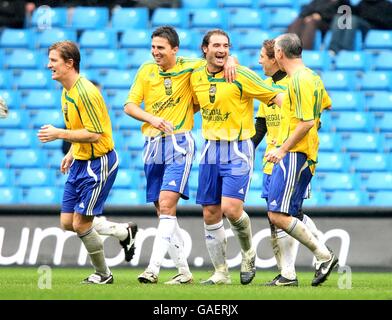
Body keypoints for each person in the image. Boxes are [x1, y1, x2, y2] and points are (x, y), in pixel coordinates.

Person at [124, 26, 236, 285]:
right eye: (153, 47)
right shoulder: (146, 70)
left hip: (179, 143)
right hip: (151, 144)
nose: (155, 53)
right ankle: (184, 272)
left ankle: (152, 269)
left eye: (160, 48)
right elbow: (129, 105)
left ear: (175, 49)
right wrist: (153, 118)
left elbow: (217, 59)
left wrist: (230, 58)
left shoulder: (190, 67)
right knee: (161, 210)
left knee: (166, 204)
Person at [37, 40, 137, 284]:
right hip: (81, 160)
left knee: (81, 223)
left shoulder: (86, 92)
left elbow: (95, 134)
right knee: (67, 222)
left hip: (98, 162)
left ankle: (103, 275)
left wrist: (59, 134)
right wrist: (71, 152)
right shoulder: (66, 91)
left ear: (70, 63)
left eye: (53, 60)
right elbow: (79, 129)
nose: (48, 65)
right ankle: (124, 232)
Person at [190, 29, 283, 285]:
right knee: (210, 212)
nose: (222, 50)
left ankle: (248, 253)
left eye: (226, 46)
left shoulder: (241, 74)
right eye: (216, 45)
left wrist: (304, 116)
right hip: (210, 148)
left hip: (238, 148)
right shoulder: (194, 73)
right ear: (204, 49)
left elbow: (276, 97)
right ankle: (221, 273)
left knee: (231, 210)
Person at [253, 39, 331, 286]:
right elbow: (325, 105)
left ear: (278, 54)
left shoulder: (299, 79)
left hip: (292, 153)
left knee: (283, 213)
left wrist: (285, 148)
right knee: (277, 213)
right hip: (280, 154)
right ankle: (288, 274)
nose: (259, 61)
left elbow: (308, 121)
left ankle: (323, 256)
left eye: (263, 56)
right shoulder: (310, 78)